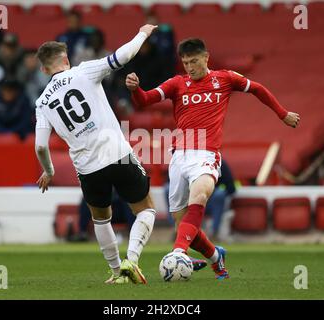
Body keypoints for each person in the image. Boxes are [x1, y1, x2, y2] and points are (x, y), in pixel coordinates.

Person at [126, 38, 300, 280]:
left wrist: (283, 114)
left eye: (194, 61)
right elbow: (145, 101)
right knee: (184, 225)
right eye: (186, 62)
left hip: (206, 154)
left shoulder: (225, 78)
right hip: (178, 157)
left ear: (206, 57)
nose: (190, 67)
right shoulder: (177, 83)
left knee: (200, 195)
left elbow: (258, 89)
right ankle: (216, 258)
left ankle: (178, 253)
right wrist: (135, 89)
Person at [34, 24, 159, 285]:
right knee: (146, 208)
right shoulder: (84, 71)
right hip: (117, 153)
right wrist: (143, 33)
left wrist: (49, 170)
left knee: (101, 219)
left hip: (88, 167)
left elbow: (41, 146)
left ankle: (116, 273)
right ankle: (132, 261)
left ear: (44, 69)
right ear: (66, 60)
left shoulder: (42, 102)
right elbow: (123, 56)